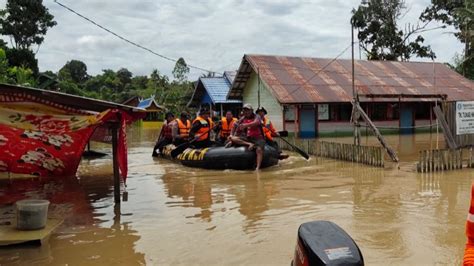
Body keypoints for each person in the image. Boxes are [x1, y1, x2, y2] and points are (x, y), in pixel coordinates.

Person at [229, 104, 265, 170]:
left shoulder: (257, 116)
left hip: (258, 138)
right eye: (245, 110)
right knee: (232, 138)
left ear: (251, 111)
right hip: (248, 138)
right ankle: (249, 144)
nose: (246, 112)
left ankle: (257, 167)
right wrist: (231, 134)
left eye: (248, 110)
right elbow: (234, 126)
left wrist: (246, 125)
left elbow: (256, 123)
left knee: (259, 150)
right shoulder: (242, 118)